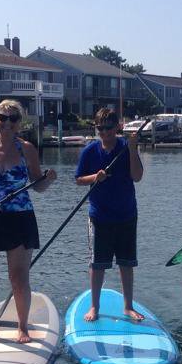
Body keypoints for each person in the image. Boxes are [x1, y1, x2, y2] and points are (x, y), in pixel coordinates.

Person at [0, 99, 57, 343]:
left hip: (19, 218)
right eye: (2, 117)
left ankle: (23, 328)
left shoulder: (27, 149)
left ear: (19, 123)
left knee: (18, 277)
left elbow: (38, 185)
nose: (6, 122)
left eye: (12, 118)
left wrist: (48, 180)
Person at [74, 107, 145, 322]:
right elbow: (78, 179)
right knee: (97, 264)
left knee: (126, 263)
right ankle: (94, 306)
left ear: (117, 128)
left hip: (126, 215)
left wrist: (133, 149)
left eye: (108, 128)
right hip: (100, 217)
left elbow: (137, 176)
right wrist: (95, 177)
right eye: (100, 128)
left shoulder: (125, 147)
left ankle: (128, 306)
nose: (104, 132)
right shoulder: (90, 151)